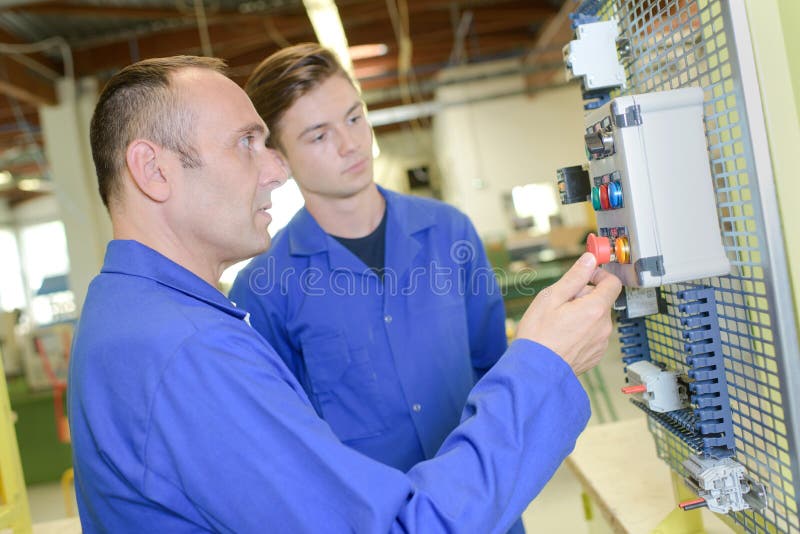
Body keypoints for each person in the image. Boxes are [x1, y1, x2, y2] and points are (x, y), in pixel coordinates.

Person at [68, 55, 622, 532]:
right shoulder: (195, 348)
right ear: (152, 170)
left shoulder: (132, 317)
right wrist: (546, 363)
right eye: (247, 143)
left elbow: (485, 361)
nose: (274, 172)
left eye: (354, 117)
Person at [229, 42, 512, 504]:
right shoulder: (264, 290)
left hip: (482, 505)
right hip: (368, 518)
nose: (351, 144)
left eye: (354, 117)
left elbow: (493, 370)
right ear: (278, 158)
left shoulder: (449, 233)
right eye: (319, 135)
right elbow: (283, 445)